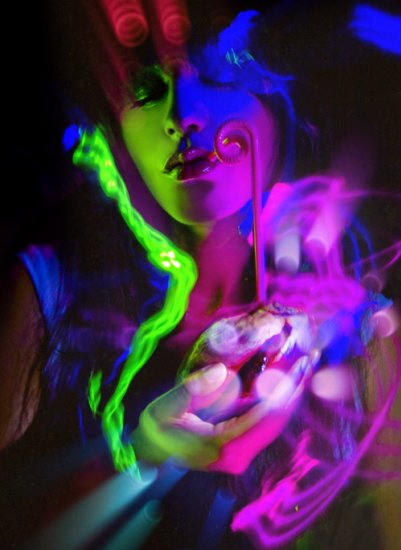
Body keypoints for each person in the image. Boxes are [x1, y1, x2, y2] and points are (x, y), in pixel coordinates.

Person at [1, 1, 400, 549]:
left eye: (217, 74)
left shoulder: (363, 331)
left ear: (281, 95)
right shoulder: (50, 293)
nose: (182, 114)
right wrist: (142, 457)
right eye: (146, 90)